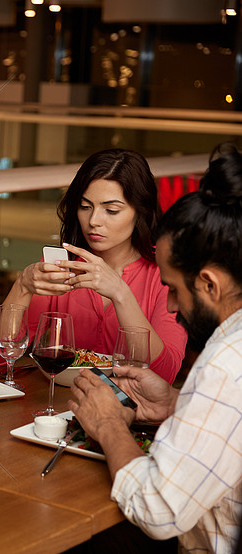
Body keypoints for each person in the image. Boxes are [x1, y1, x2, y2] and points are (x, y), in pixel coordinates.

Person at [69, 144, 242, 554]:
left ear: (210, 284)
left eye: (174, 289)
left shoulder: (225, 362)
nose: (168, 305)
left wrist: (109, 424)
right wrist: (176, 404)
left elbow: (157, 511)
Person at [0, 149, 186, 384]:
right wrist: (23, 286)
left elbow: (164, 376)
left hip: (132, 414)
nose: (93, 221)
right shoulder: (60, 267)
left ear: (140, 211)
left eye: (111, 210)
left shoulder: (166, 275)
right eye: (85, 206)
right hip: (59, 406)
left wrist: (121, 293)